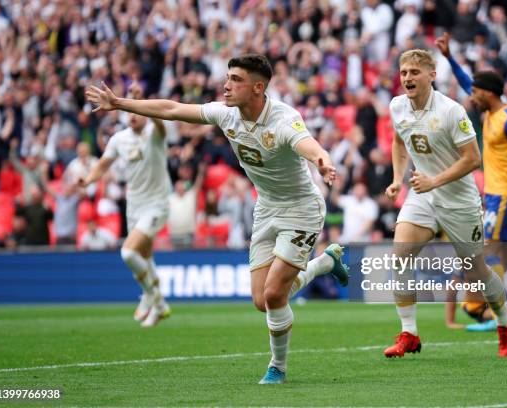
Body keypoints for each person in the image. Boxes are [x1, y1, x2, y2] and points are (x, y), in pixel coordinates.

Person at [86, 54, 349, 384]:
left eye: (236, 79)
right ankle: (324, 263)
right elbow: (172, 109)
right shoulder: (226, 115)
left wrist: (323, 160)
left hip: (301, 209)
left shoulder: (283, 118)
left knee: (273, 296)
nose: (226, 85)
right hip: (266, 208)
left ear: (258, 87)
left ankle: (277, 367)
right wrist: (120, 104)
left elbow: (307, 143)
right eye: (227, 77)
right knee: (262, 300)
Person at [383, 49, 507, 358]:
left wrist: (434, 180)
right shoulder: (397, 106)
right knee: (400, 256)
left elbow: (473, 159)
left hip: (458, 200)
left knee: (477, 271)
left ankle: (505, 322)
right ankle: (409, 334)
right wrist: (397, 178)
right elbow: (399, 141)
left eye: (414, 72)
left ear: (432, 75)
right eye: (403, 73)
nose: (407, 78)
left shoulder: (451, 111)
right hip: (423, 195)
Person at [436, 33, 507, 332]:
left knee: (488, 253)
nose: (470, 95)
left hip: (506, 196)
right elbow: (464, 81)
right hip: (498, 195)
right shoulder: (490, 113)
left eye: (475, 92)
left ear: (488, 92)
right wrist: (449, 57)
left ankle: (498, 311)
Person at [80, 82, 171, 328]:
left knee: (129, 252)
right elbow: (103, 164)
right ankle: (161, 306)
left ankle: (150, 295)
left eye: (136, 111)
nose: (132, 115)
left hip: (157, 204)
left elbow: (160, 119)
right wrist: (88, 179)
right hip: (134, 205)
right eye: (128, 111)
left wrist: (142, 102)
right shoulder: (119, 139)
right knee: (144, 255)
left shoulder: (155, 132)